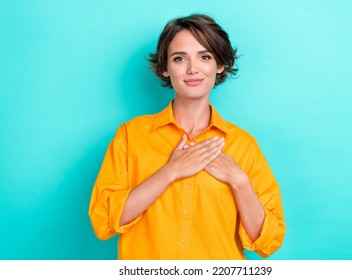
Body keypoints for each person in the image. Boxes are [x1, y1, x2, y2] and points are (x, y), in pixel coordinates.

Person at [88, 14, 285, 260]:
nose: (193, 69)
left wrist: (239, 180)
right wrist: (170, 172)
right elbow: (104, 220)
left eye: (205, 57)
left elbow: (267, 242)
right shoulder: (131, 135)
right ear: (165, 68)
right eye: (179, 58)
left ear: (220, 65)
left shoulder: (243, 144)